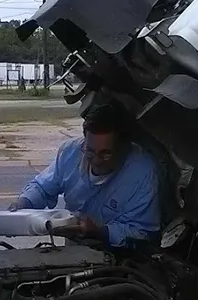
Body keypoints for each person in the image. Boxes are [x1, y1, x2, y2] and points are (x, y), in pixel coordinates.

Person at [8, 103, 160, 248]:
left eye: (105, 154)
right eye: (90, 151)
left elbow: (143, 232)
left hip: (121, 256)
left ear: (124, 147)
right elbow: (42, 188)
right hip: (74, 251)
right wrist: (23, 204)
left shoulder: (143, 173)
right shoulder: (70, 152)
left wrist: (99, 232)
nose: (95, 160)